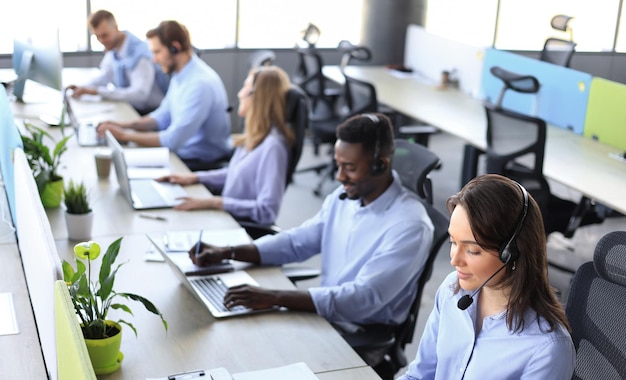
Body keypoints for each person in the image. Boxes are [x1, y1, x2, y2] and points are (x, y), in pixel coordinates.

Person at [319, 174, 575, 380]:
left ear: (512, 253)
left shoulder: (547, 349)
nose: (454, 260)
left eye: (472, 250)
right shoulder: (453, 291)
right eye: (454, 242)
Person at [190, 113, 434, 331]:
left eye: (349, 168)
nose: (339, 177)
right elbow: (298, 242)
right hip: (323, 314)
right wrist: (230, 252)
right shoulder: (345, 198)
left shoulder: (409, 226)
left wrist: (275, 297)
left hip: (359, 331)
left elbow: (362, 300)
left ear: (381, 164)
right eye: (337, 165)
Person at [157, 65, 294, 225]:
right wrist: (195, 177)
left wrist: (215, 202)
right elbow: (236, 173)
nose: (240, 93)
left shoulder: (273, 147)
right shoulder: (256, 136)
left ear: (258, 97)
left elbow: (267, 210)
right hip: (225, 217)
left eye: (245, 88)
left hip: (236, 226)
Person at [96, 20, 232, 171]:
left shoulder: (199, 84)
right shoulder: (181, 74)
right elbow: (162, 116)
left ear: (175, 48)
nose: (154, 59)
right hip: (182, 154)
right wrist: (123, 125)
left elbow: (173, 139)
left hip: (200, 162)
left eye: (157, 52)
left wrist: (124, 136)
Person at [66, 10, 165, 115]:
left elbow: (139, 94)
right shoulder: (113, 50)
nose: (101, 40)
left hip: (150, 112)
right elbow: (105, 76)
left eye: (104, 35)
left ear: (116, 28)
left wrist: (97, 91)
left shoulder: (141, 55)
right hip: (130, 107)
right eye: (97, 36)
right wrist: (82, 88)